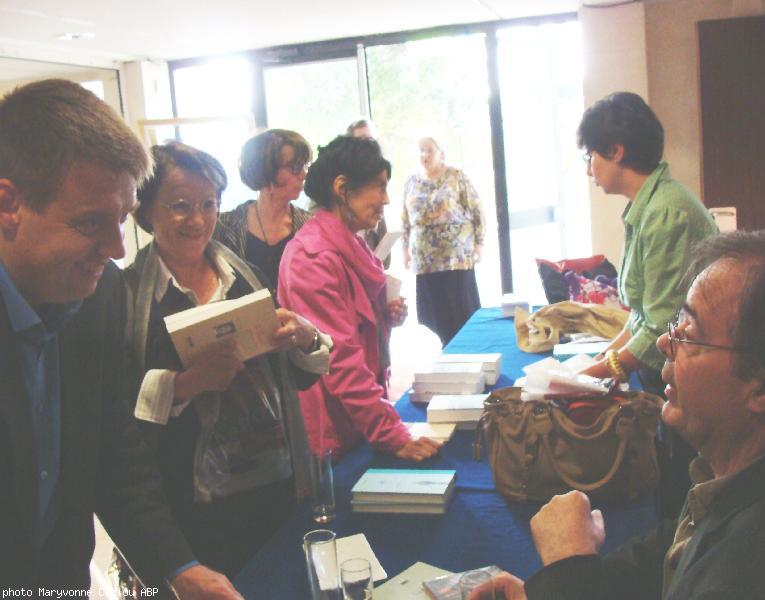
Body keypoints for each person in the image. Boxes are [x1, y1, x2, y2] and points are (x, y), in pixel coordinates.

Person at [0, 79, 239, 596]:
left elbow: (113, 453)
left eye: (122, 219)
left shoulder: (99, 293)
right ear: (8, 204)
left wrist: (178, 566)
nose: (114, 248)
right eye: (90, 223)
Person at [471, 228, 765, 600]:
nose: (665, 342)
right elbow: (666, 560)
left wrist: (568, 568)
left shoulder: (760, 565)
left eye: (690, 334)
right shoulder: (736, 480)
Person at [122, 142, 330, 582]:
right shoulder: (127, 298)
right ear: (145, 211)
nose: (198, 220)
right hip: (192, 506)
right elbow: (114, 411)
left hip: (273, 484)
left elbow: (294, 377)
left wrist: (304, 337)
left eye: (209, 204)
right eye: (180, 206)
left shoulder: (245, 278)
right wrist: (188, 383)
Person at [576, 92, 718, 516]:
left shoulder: (666, 213)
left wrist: (593, 374)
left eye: (591, 156)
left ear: (616, 151)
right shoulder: (648, 205)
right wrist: (600, 359)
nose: (589, 169)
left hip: (689, 378)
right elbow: (640, 314)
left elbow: (658, 329)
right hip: (668, 370)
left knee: (681, 494)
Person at [278, 135, 441, 461]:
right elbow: (339, 358)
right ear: (342, 188)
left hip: (357, 418)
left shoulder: (349, 244)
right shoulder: (312, 258)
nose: (386, 199)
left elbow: (356, 328)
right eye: (379, 187)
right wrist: (391, 434)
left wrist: (383, 316)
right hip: (331, 430)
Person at [402, 135, 484, 346]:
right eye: (421, 150)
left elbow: (477, 209)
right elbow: (405, 218)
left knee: (462, 315)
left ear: (441, 153)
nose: (424, 155)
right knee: (435, 319)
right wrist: (405, 249)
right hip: (425, 262)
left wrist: (479, 243)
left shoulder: (456, 176)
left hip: (455, 258)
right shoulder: (412, 181)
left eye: (429, 150)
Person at [214, 129, 312, 294]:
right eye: (295, 167)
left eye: (304, 165)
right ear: (265, 170)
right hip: (248, 318)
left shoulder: (309, 226)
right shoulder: (226, 226)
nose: (304, 174)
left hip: (298, 318)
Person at [346, 118, 390, 268]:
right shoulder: (340, 183)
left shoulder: (379, 172)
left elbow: (385, 257)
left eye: (372, 141)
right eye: (362, 141)